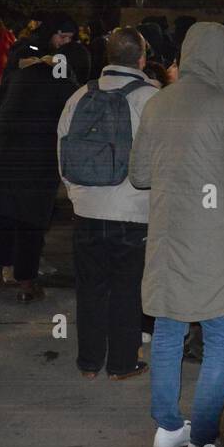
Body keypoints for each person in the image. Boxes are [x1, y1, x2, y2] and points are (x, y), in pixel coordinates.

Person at [129, 22, 224, 447]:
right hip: (217, 246)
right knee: (222, 338)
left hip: (169, 239)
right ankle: (201, 440)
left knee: (168, 333)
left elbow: (140, 176)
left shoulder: (158, 103)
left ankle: (167, 429)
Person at [58, 27, 160, 380]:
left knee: (90, 288)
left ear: (108, 57)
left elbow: (62, 153)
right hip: (133, 212)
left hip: (86, 210)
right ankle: (121, 363)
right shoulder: (152, 98)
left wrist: (77, 195)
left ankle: (88, 362)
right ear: (142, 59)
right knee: (127, 290)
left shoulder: (79, 96)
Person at [0, 17, 87, 302]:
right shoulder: (67, 86)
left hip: (4, 152)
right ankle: (26, 283)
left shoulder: (21, 70)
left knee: (5, 215)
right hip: (36, 159)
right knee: (31, 221)